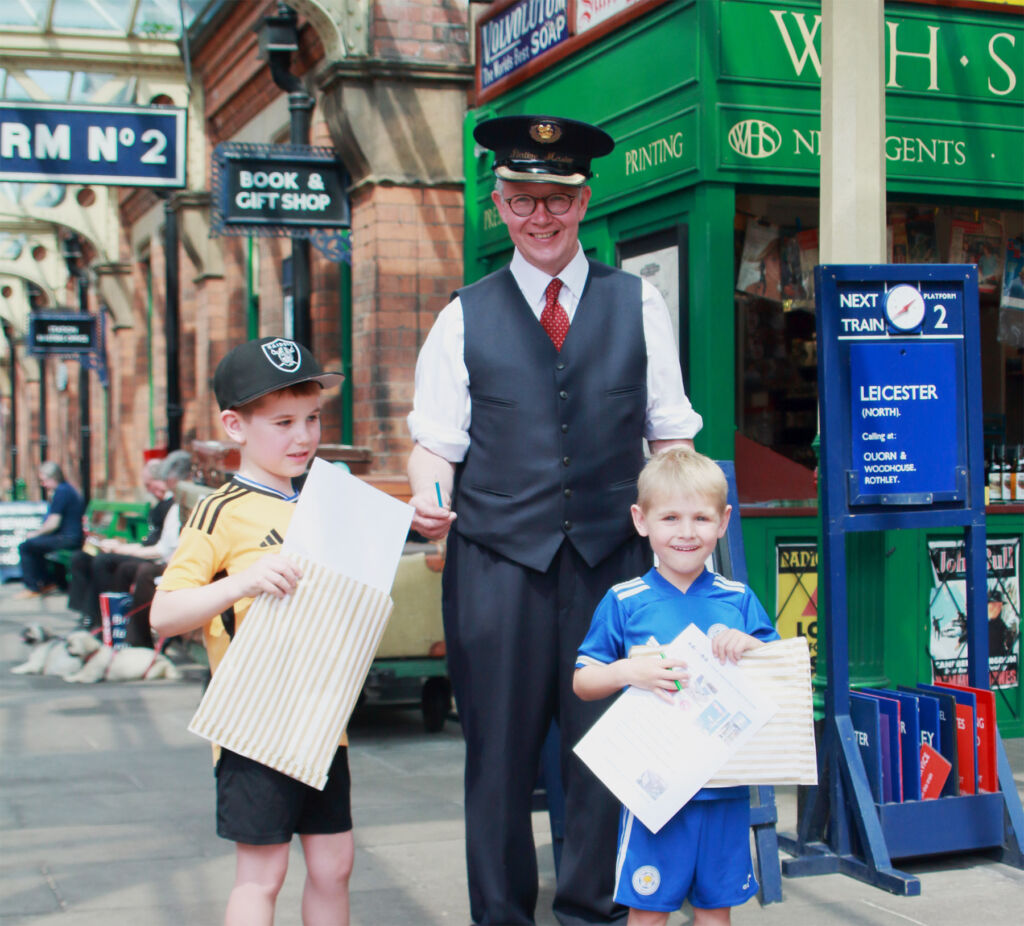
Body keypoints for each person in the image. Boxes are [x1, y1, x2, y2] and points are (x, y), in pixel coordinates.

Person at [406, 115, 702, 925]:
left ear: (585, 199)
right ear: (497, 204)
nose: (542, 216)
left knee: (609, 753)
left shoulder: (637, 303)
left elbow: (669, 432)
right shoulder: (462, 316)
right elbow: (434, 444)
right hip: (497, 567)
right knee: (497, 759)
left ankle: (592, 912)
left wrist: (691, 542)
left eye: (559, 198)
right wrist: (429, 498)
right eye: (523, 199)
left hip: (613, 566)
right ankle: (500, 917)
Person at [150, 336, 350, 926]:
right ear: (235, 426)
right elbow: (164, 614)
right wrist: (241, 584)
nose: (304, 436)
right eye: (283, 422)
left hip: (322, 714)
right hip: (254, 721)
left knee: (334, 864)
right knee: (262, 875)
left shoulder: (324, 500)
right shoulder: (220, 509)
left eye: (312, 418)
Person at [573, 448, 779, 926]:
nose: (686, 532)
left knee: (715, 911)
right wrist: (629, 671)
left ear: (723, 522)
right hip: (655, 792)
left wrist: (748, 645)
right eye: (670, 517)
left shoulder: (738, 599)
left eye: (701, 518)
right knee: (648, 913)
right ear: (641, 520)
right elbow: (583, 681)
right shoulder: (623, 601)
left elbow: (776, 672)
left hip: (725, 789)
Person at [67, 455, 178, 629]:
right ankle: (85, 613)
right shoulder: (160, 505)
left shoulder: (173, 506)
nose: (148, 490)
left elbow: (161, 549)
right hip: (145, 551)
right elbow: (147, 542)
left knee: (105, 562)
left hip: (156, 559)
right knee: (81, 558)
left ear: (162, 480)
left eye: (149, 484)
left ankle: (101, 618)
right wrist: (120, 547)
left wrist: (123, 550)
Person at [16, 462, 85, 599]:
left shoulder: (61, 492)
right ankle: (49, 581)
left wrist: (35, 534)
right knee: (36, 545)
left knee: (26, 546)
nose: (43, 484)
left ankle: (33, 587)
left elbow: (53, 523)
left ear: (53, 478)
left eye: (43, 480)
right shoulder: (67, 489)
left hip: (68, 538)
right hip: (69, 536)